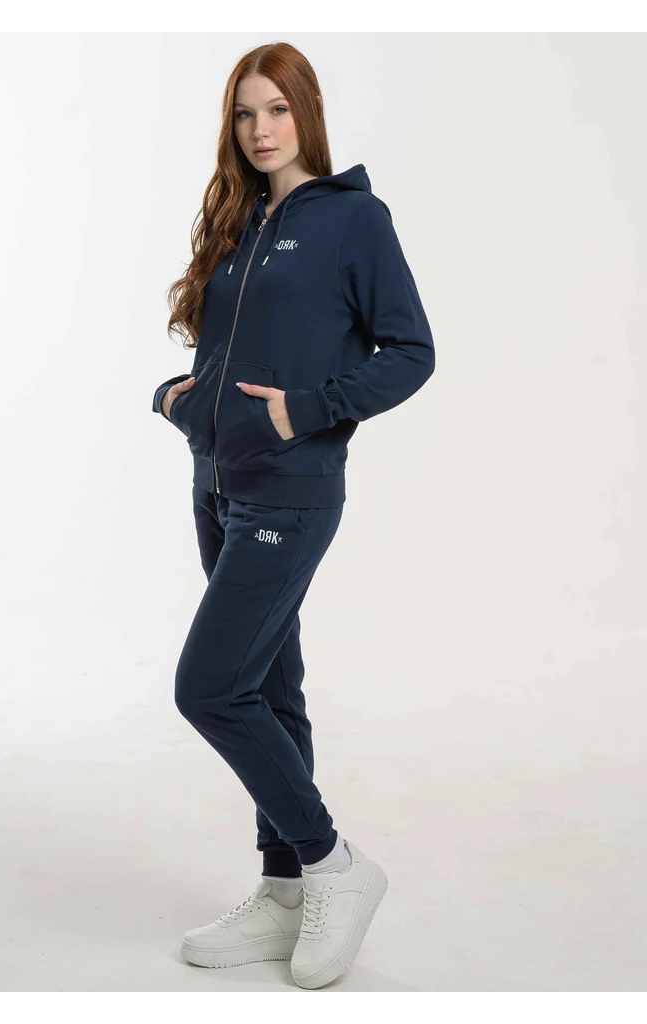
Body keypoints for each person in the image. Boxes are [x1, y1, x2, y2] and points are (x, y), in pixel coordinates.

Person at [152, 41, 435, 989]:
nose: (260, 130)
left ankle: (332, 863)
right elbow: (224, 351)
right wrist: (181, 400)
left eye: (275, 109)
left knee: (209, 687)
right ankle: (283, 889)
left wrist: (303, 410)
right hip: (217, 484)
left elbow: (411, 351)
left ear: (306, 113)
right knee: (270, 691)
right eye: (244, 113)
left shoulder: (354, 219)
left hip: (292, 488)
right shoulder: (241, 221)